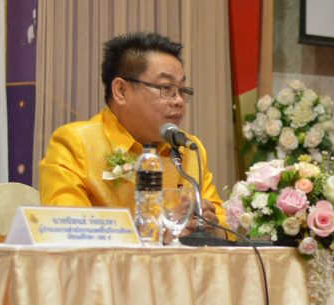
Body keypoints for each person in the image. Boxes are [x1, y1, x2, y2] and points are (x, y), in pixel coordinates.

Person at [39, 31, 226, 237]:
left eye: (182, 90)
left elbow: (226, 227)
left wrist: (210, 227)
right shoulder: (76, 144)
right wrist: (161, 234)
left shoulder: (188, 148)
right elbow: (67, 230)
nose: (179, 101)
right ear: (121, 91)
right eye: (166, 88)